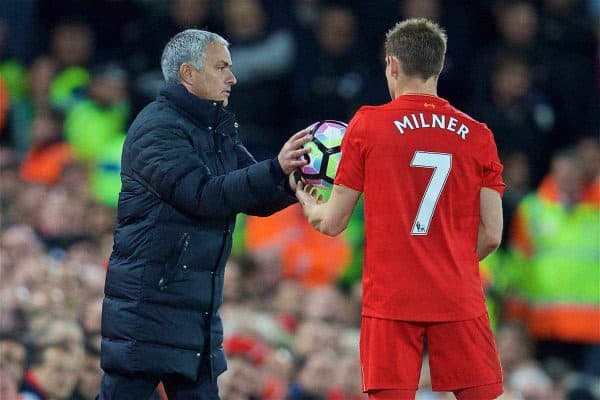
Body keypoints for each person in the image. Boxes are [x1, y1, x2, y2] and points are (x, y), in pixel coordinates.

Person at [295, 18, 505, 400]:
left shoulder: (369, 125)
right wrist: (446, 261)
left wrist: (308, 202)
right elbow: (492, 233)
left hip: (391, 299)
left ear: (392, 65)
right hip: (457, 296)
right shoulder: (478, 134)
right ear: (438, 66)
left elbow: (333, 222)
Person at [99, 29, 311, 399]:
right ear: (188, 73)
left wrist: (297, 181)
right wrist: (275, 168)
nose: (233, 77)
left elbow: (252, 196)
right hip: (147, 311)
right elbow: (203, 195)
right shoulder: (157, 128)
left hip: (195, 314)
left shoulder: (216, 128)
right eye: (222, 67)